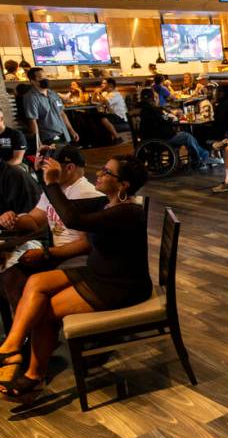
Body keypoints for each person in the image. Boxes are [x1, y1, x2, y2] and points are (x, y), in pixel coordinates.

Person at [0, 154, 149, 398]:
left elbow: (73, 219)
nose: (99, 174)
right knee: (36, 282)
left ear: (123, 185)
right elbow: (60, 207)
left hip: (120, 285)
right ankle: (13, 346)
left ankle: (33, 376)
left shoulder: (128, 212)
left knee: (43, 311)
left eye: (107, 172)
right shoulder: (106, 202)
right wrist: (42, 174)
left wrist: (51, 182)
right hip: (98, 273)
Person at [0, 146, 104, 312]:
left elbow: (87, 244)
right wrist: (14, 219)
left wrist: (46, 254)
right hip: (58, 254)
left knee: (18, 278)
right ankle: (31, 326)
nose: (44, 170)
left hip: (81, 259)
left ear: (69, 168)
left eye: (49, 166)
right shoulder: (55, 190)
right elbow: (34, 220)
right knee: (7, 270)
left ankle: (35, 324)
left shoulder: (86, 195)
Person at [137, 88, 210, 171]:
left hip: (151, 138)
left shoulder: (144, 109)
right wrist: (171, 118)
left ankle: (202, 155)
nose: (157, 99)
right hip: (161, 139)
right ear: (152, 98)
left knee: (186, 135)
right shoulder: (153, 110)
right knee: (187, 136)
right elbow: (165, 120)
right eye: (156, 97)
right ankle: (199, 159)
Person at [24, 67, 79, 146]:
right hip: (49, 136)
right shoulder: (31, 97)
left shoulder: (53, 94)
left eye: (45, 76)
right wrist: (38, 143)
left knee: (70, 155)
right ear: (33, 81)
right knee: (75, 156)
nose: (45, 79)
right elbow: (32, 121)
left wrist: (71, 130)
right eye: (41, 77)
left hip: (64, 133)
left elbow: (62, 113)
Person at [93, 78, 126, 145]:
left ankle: (117, 138)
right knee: (96, 117)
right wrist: (95, 93)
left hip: (119, 116)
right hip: (112, 114)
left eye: (106, 84)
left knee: (103, 118)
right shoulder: (106, 93)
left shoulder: (116, 94)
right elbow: (94, 101)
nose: (104, 86)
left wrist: (99, 93)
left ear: (110, 85)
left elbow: (107, 102)